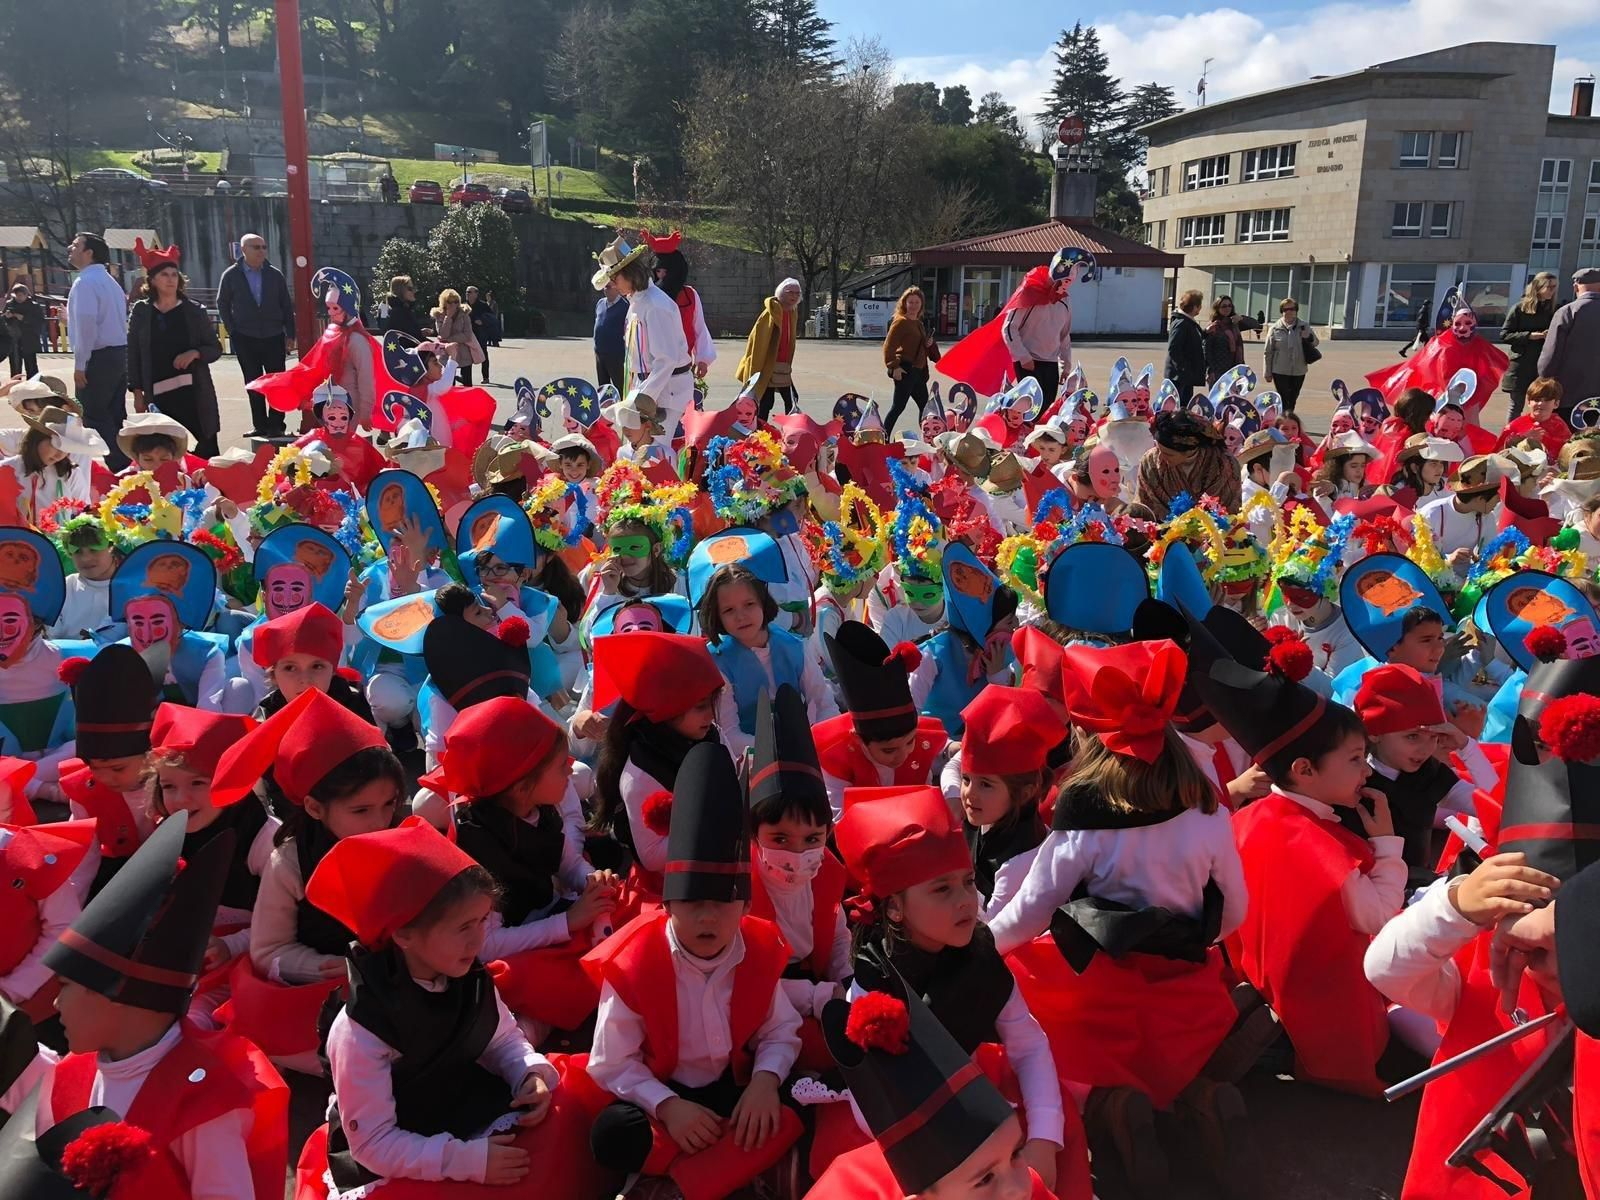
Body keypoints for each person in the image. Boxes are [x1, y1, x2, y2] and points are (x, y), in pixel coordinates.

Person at [585, 740, 806, 1195]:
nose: (707, 917)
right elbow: (611, 1062)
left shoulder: (759, 951)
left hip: (734, 1088)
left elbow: (780, 1031)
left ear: (744, 904)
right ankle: (732, 1168)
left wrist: (764, 1083)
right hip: (665, 1097)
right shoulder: (635, 963)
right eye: (691, 903)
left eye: (722, 904)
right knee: (610, 1134)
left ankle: (683, 1178)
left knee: (800, 1096)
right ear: (667, 904)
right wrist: (667, 1107)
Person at [37, 813, 290, 1198]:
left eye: (67, 985)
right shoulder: (74, 1071)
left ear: (118, 996)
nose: (56, 1002)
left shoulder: (201, 1106)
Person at [126, 239, 223, 458]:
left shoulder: (193, 311)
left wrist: (195, 353)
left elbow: (214, 348)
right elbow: (133, 354)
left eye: (173, 274)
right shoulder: (142, 312)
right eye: (164, 275)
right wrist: (137, 392)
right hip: (158, 395)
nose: (170, 279)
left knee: (207, 449)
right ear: (152, 280)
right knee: (163, 451)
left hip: (193, 393)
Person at [596, 236, 693, 448]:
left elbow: (666, 360)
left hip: (665, 391)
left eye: (615, 278)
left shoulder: (655, 305)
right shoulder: (636, 302)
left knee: (652, 451)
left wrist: (643, 400)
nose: (612, 284)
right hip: (647, 388)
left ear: (629, 274)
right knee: (638, 449)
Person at [216, 232, 297, 439]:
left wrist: (290, 333)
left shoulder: (274, 274)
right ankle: (260, 425)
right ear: (243, 250)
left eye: (263, 247)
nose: (261, 251)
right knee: (253, 383)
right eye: (256, 247)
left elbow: (286, 305)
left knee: (277, 383)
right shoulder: (231, 275)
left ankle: (276, 424)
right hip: (245, 336)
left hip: (273, 335)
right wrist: (232, 329)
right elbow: (222, 303)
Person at [65, 231, 131, 470]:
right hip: (117, 353)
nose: (70, 249)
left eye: (75, 245)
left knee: (93, 414)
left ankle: (117, 467)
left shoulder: (85, 282)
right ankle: (125, 463)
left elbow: (86, 326)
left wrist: (80, 364)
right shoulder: (110, 282)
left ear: (88, 252)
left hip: (98, 357)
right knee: (114, 413)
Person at [1135, 410, 1242, 520]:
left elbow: (1227, 513)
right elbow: (1143, 509)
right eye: (1158, 449)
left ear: (1190, 450)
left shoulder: (1223, 464)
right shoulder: (1150, 461)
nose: (1160, 457)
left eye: (1169, 454)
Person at [1537, 266, 1600, 422]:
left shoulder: (1567, 312)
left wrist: (1544, 381)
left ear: (1575, 287)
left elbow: (1550, 354)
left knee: (1568, 442)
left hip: (1569, 395)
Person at [737, 277, 804, 420]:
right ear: (781, 293)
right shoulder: (771, 313)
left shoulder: (792, 312)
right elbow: (757, 344)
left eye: (797, 293)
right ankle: (760, 434)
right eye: (790, 292)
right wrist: (755, 370)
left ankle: (792, 432)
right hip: (767, 366)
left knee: (792, 400)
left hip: (783, 367)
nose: (794, 296)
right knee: (766, 402)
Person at [882, 286, 941, 436]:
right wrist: (894, 366)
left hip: (918, 372)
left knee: (924, 407)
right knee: (898, 407)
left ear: (921, 304)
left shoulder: (919, 324)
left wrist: (929, 344)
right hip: (905, 369)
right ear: (904, 304)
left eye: (917, 302)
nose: (914, 305)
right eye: (911, 302)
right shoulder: (900, 322)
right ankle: (883, 437)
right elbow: (888, 346)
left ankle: (928, 436)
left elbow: (924, 348)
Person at [1500, 271, 1557, 420]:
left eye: (1554, 287)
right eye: (1549, 287)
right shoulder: (1519, 309)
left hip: (1543, 364)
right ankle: (1510, 438)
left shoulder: (1554, 310)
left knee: (1542, 406)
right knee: (1516, 406)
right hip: (1521, 363)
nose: (1552, 290)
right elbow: (1505, 334)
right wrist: (1530, 336)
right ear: (1538, 287)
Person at [1261, 297, 1318, 414]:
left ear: (1296, 310)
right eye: (1285, 309)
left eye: (1292, 309)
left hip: (1299, 369)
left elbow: (1316, 342)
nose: (1289, 312)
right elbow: (1268, 352)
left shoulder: (1304, 326)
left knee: (1293, 397)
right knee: (1283, 397)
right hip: (1280, 370)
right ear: (1282, 311)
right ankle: (1284, 419)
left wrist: (1308, 337)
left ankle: (1289, 418)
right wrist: (1267, 372)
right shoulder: (1275, 328)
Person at [1203, 295, 1262, 386]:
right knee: (1219, 399)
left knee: (1235, 399)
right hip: (1218, 371)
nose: (1227, 308)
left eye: (1229, 305)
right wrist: (1210, 370)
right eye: (1224, 306)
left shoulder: (1234, 324)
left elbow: (1255, 324)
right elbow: (1207, 350)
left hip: (1236, 370)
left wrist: (1241, 318)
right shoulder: (1213, 327)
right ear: (1217, 308)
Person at [431, 288, 483, 386]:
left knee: (467, 384)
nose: (453, 305)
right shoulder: (439, 315)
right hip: (447, 353)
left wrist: (450, 339)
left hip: (464, 353)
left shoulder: (464, 313)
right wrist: (448, 317)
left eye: (455, 302)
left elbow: (467, 335)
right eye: (449, 302)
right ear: (444, 303)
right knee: (449, 383)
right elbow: (443, 334)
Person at [1165, 288, 1207, 402]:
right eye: (1200, 305)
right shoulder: (1181, 323)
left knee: (1185, 404)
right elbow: (1173, 349)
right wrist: (1184, 368)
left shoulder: (1188, 321)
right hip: (1179, 376)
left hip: (1185, 375)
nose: (1200, 308)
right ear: (1194, 307)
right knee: (1179, 406)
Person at [3, 281, 45, 379]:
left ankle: (33, 386)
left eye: (21, 295)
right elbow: (3, 319)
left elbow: (40, 321)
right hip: (14, 340)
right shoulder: (10, 304)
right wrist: (7, 317)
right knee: (15, 367)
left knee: (31, 366)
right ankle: (15, 386)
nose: (19, 298)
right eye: (17, 295)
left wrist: (24, 318)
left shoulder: (34, 306)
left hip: (29, 339)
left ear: (26, 295)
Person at [593, 276, 629, 389]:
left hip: (616, 355)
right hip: (599, 354)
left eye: (608, 286)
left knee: (620, 387)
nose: (605, 289)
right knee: (603, 389)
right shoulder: (600, 303)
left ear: (616, 288)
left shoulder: (625, 306)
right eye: (603, 287)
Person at [377, 274, 423, 339]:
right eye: (410, 289)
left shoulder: (402, 308)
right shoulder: (398, 312)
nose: (414, 291)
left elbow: (406, 332)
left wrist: (420, 332)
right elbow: (405, 340)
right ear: (400, 290)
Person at [465, 285, 495, 384]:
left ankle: (485, 377)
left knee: (483, 354)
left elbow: (492, 318)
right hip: (468, 334)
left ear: (476, 294)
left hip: (480, 333)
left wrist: (482, 320)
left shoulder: (483, 305)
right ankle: (465, 377)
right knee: (466, 355)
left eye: (470, 292)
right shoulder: (464, 306)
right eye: (467, 292)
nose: (467, 294)